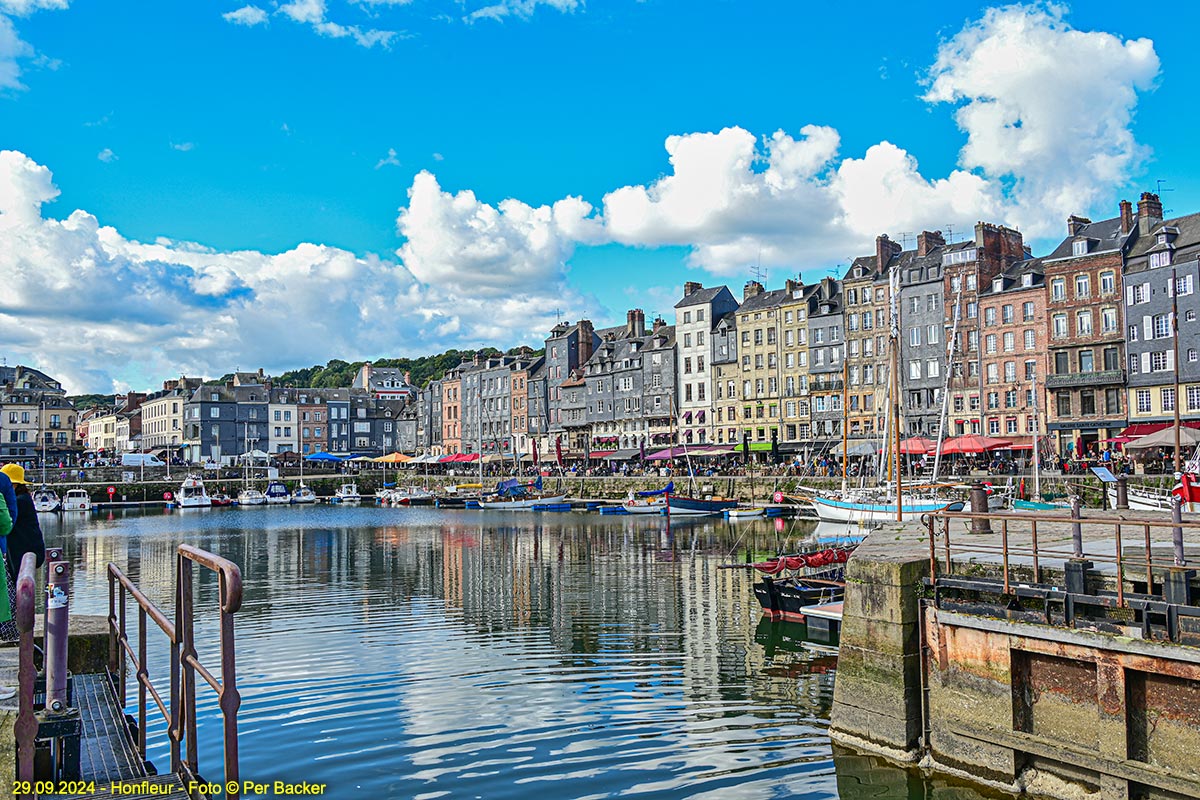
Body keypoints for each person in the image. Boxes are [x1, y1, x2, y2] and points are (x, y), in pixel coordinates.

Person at [0, 465, 45, 591]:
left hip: (21, 552)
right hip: (28, 550)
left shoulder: (19, 502)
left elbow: (5, 523)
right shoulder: (25, 499)